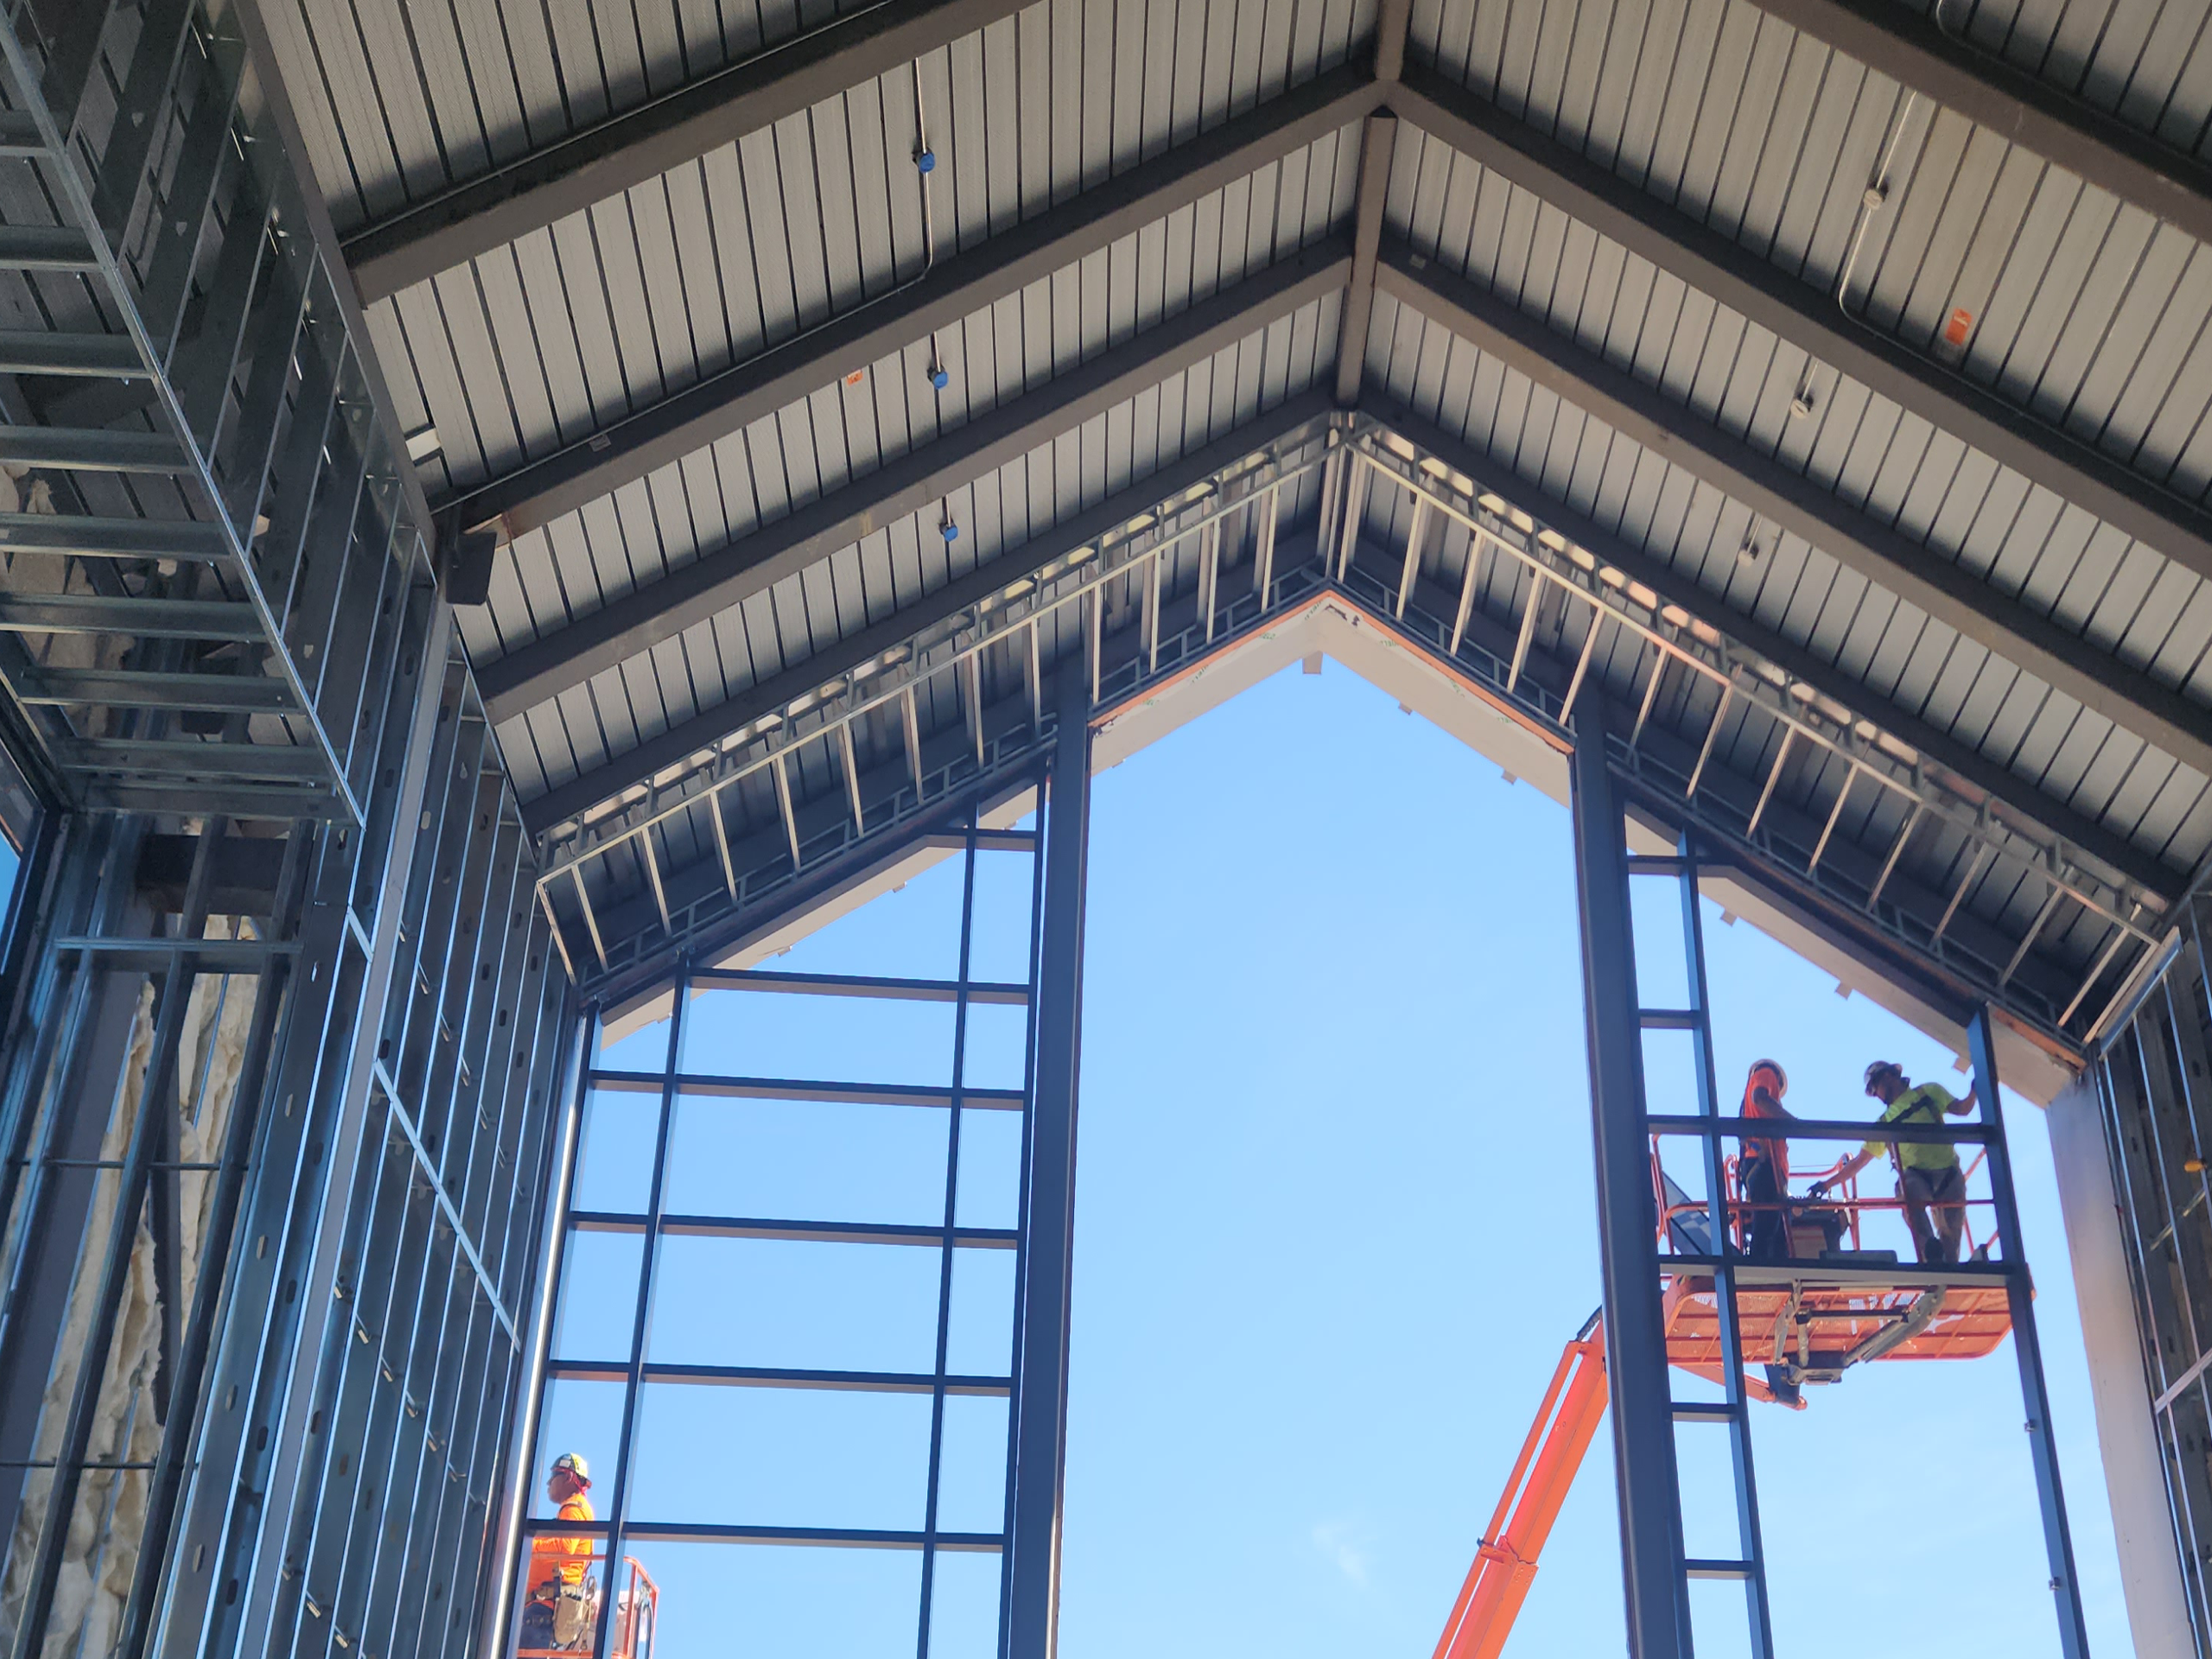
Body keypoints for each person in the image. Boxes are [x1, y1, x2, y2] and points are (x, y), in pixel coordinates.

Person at [1824, 1061, 1976, 1264]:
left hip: (1950, 1174)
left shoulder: (1928, 1092)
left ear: (1887, 1076)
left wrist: (1976, 1091)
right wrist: (1826, 1185)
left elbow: (1962, 1109)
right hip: (1917, 1176)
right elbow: (1859, 1162)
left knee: (1951, 1239)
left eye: (1874, 1089)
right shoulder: (1885, 1123)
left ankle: (1947, 1275)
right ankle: (1930, 1254)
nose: (1876, 1095)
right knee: (1908, 1197)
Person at [518, 1452, 597, 1653]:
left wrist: (526, 1545)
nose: (548, 1483)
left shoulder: (574, 1508)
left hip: (543, 1609)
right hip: (544, 1608)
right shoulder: (572, 1510)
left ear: (569, 1478)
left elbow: (565, 1546)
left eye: (553, 1476)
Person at [1735, 1059, 1797, 1259]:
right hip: (1764, 1166)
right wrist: (1792, 1123)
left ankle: (1769, 1272)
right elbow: (1760, 1097)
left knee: (1774, 1228)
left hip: (1761, 1167)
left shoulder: (1748, 1111)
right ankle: (1759, 1268)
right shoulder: (1767, 1073)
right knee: (1767, 1224)